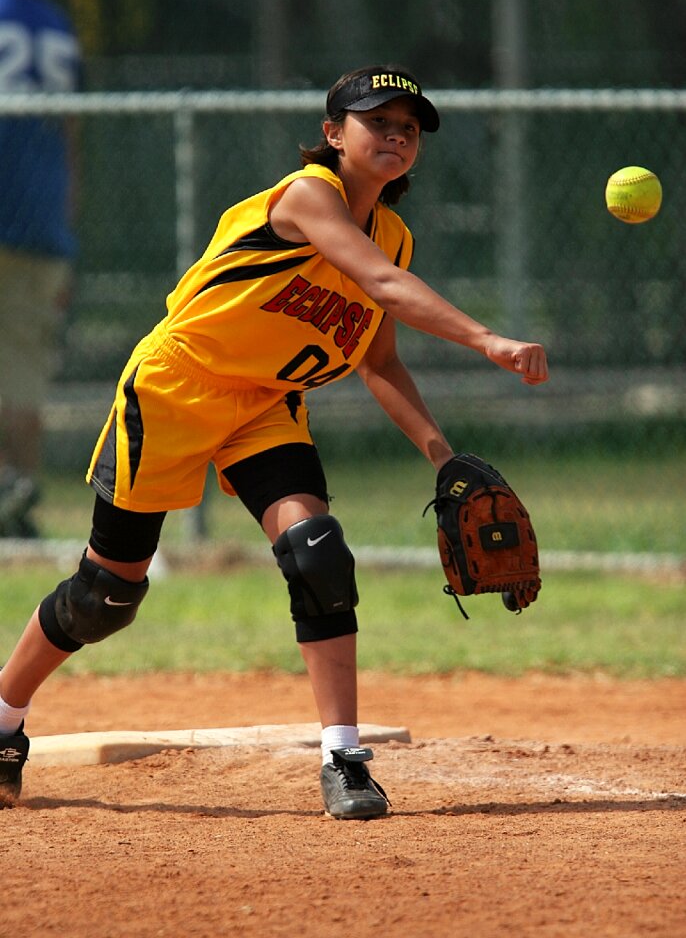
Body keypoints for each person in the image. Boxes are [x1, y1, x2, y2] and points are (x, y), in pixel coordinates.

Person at [0, 64, 548, 818]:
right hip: (176, 389)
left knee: (317, 550)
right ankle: (4, 716)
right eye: (376, 122)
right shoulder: (307, 198)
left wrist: (441, 453)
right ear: (332, 136)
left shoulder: (393, 233)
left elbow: (378, 358)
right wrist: (487, 340)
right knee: (107, 595)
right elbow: (383, 287)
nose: (395, 134)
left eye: (408, 128)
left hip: (264, 405)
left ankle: (344, 757)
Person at [0, 0, 81, 537]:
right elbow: (72, 133)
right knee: (24, 372)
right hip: (42, 227)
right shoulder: (56, 24)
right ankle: (20, 498)